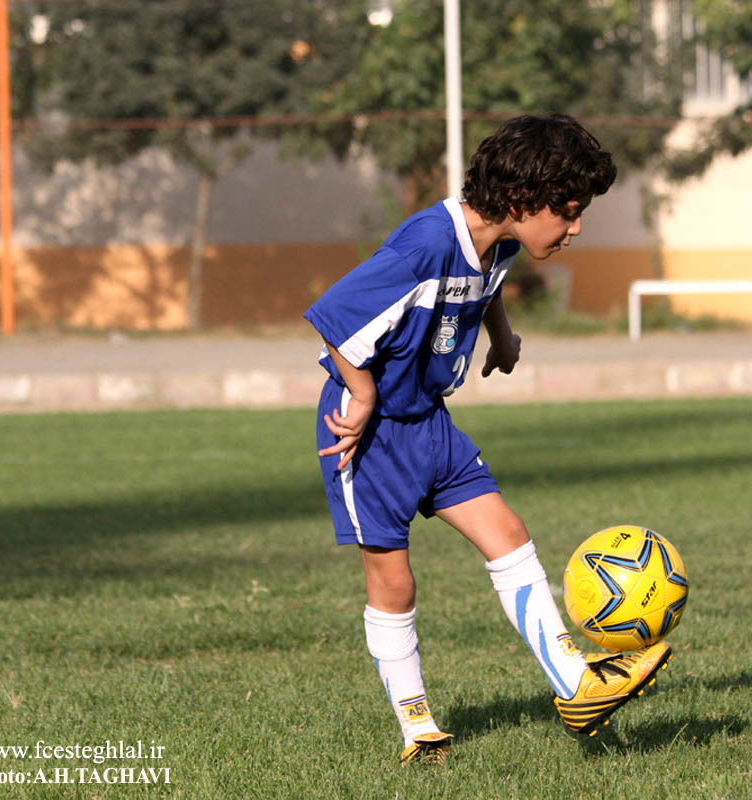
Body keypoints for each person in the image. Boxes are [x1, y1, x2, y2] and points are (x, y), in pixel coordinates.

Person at [304, 113, 670, 765]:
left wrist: (499, 335)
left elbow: (486, 284)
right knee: (395, 584)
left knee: (509, 535)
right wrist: (361, 395)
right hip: (367, 438)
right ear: (524, 201)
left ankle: (575, 685)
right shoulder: (424, 243)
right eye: (569, 211)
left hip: (431, 426)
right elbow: (333, 315)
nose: (576, 227)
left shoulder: (497, 243)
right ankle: (418, 728)